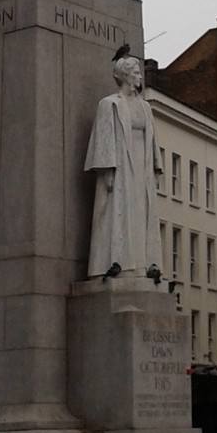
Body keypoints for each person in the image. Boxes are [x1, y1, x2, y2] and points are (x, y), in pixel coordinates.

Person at [84, 52, 163, 277]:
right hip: (121, 166)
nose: (140, 76)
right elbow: (104, 139)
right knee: (121, 213)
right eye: (137, 73)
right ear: (127, 76)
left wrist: (155, 166)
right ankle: (118, 262)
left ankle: (143, 265)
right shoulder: (108, 104)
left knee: (141, 214)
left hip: (142, 166)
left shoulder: (145, 107)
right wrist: (107, 169)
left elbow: (153, 140)